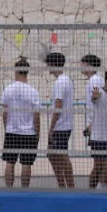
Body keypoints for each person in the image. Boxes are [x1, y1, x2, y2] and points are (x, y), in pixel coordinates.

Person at [0, 57, 42, 187]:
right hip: (28, 132)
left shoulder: (8, 89)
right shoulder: (33, 92)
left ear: (16, 71)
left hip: (12, 131)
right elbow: (36, 115)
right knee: (26, 163)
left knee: (10, 162)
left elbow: (5, 113)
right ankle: (25, 189)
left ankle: (9, 188)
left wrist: (6, 127)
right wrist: (38, 133)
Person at [45, 52, 76, 189]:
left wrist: (51, 128)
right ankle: (62, 185)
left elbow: (58, 106)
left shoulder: (60, 82)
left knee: (62, 156)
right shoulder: (66, 80)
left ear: (52, 64)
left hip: (61, 126)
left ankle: (69, 186)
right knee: (53, 155)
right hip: (65, 125)